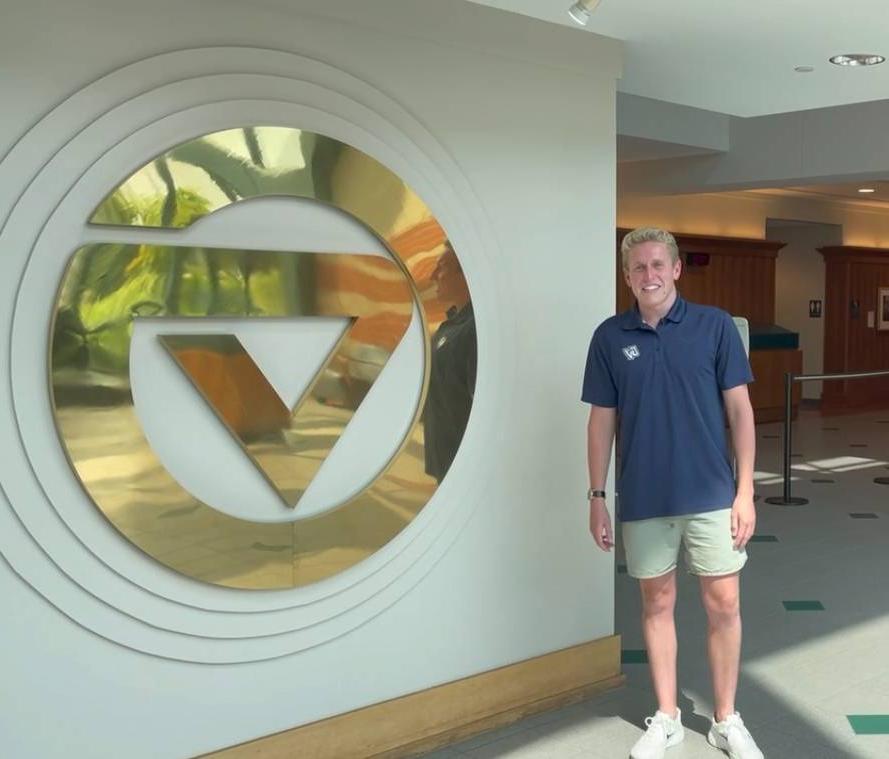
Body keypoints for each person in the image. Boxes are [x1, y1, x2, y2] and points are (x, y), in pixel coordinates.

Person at [582, 227, 763, 759]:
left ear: (677, 269)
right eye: (638, 267)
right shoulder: (610, 337)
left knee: (723, 603)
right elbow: (600, 424)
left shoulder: (714, 327)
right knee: (656, 603)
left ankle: (727, 719)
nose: (649, 275)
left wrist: (745, 488)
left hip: (712, 492)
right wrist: (597, 496)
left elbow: (741, 412)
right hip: (644, 496)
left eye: (658, 264)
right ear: (627, 276)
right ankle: (668, 716)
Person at [424, 242, 476, 482]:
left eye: (441, 267)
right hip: (446, 463)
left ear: (466, 272)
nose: (433, 276)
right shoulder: (452, 326)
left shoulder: (475, 330)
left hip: (464, 470)